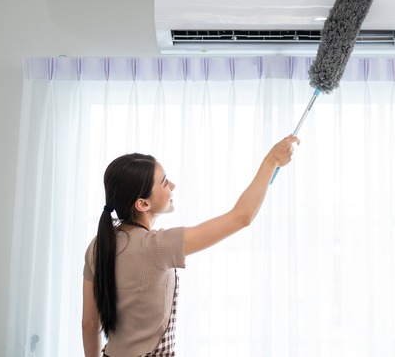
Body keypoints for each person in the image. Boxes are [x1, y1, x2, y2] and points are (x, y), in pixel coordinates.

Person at [82, 135, 300, 357]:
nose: (173, 185)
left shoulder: (98, 245)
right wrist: (271, 160)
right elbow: (241, 217)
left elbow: (89, 323)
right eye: (165, 182)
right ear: (143, 203)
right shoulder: (156, 246)